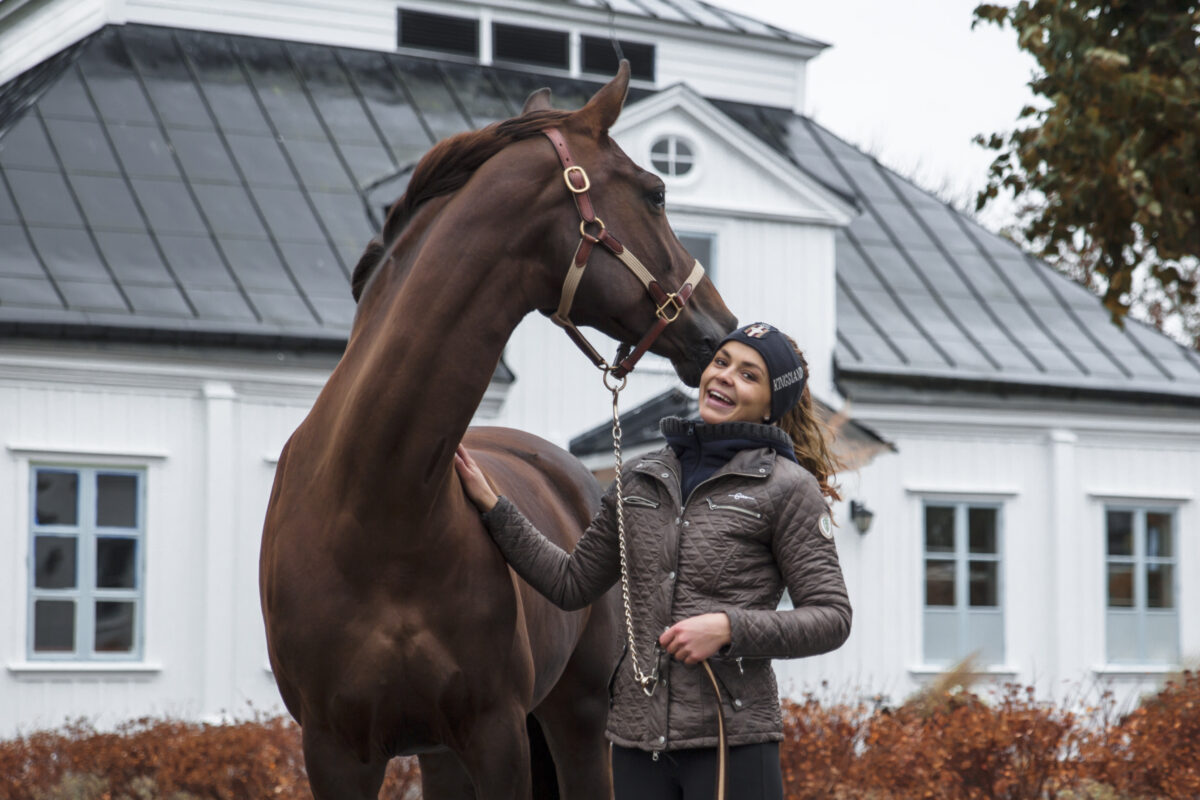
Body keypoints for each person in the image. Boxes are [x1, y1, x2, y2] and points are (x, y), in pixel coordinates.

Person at [454, 322, 851, 800]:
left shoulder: (787, 489)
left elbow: (832, 617)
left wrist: (729, 628)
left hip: (732, 743)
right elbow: (570, 583)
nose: (724, 376)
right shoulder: (641, 478)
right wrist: (496, 510)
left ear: (771, 405)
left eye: (748, 375)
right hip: (635, 743)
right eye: (721, 363)